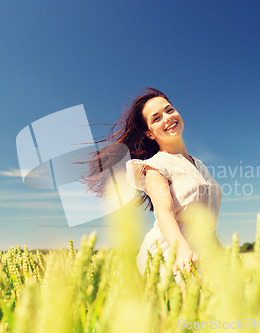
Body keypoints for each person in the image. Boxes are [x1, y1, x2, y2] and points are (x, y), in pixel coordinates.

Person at [79, 87, 222, 280]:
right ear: (149, 134)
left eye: (169, 110)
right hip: (171, 254)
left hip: (203, 253)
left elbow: (207, 222)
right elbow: (164, 213)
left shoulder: (200, 165)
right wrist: (181, 251)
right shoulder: (155, 166)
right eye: (156, 118)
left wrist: (222, 255)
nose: (167, 118)